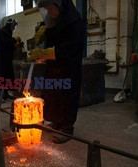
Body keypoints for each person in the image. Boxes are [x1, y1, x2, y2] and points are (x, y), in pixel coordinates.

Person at [29, 0, 84, 144]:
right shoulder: (54, 21)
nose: (50, 12)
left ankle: (67, 128)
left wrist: (45, 53)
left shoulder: (73, 21)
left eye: (51, 8)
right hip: (54, 66)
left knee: (66, 95)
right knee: (53, 94)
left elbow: (70, 48)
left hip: (68, 66)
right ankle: (56, 122)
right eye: (47, 9)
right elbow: (52, 38)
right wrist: (43, 30)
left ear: (59, 4)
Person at [0, 19, 19, 103]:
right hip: (2, 59)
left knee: (7, 76)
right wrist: (13, 40)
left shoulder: (8, 33)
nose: (14, 28)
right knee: (1, 76)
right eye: (14, 26)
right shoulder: (2, 32)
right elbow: (6, 43)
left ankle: (5, 94)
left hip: (7, 58)